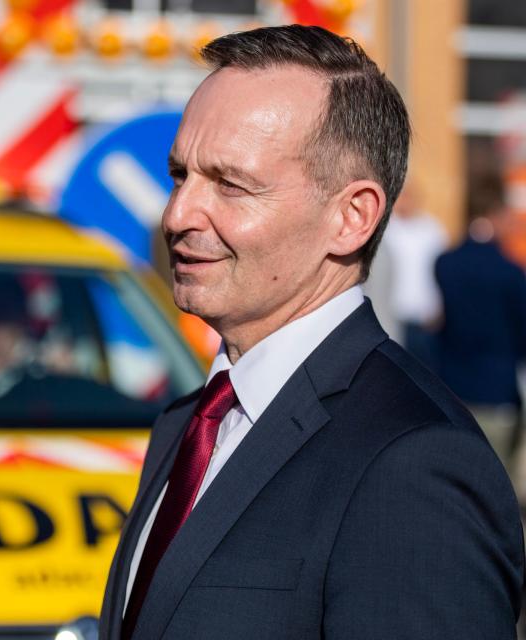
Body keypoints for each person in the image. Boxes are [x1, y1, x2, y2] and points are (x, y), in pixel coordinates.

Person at [99, 25, 524, 640]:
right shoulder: (189, 423)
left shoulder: (412, 464)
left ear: (351, 218)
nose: (178, 215)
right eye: (179, 176)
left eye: (230, 184)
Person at [434, 174, 526, 473]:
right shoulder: (509, 272)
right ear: (496, 213)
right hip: (496, 390)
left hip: (452, 386)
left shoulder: (445, 262)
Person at [381, 182, 448, 363]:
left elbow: (441, 272)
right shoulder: (386, 229)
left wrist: (439, 307)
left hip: (424, 316)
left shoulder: (432, 229)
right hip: (392, 314)